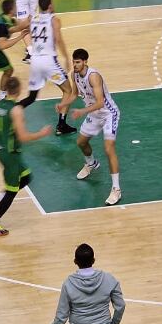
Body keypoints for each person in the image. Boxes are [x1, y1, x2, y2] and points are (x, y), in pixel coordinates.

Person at [0, 76, 51, 237]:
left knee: (27, 178)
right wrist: (41, 134)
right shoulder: (16, 110)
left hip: (2, 151)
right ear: (20, 90)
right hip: (10, 154)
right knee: (12, 191)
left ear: (6, 89)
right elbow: (23, 137)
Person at [56, 48, 122, 206]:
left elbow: (99, 102)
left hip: (108, 114)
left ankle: (116, 189)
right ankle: (91, 164)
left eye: (78, 62)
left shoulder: (93, 76)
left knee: (109, 148)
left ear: (85, 62)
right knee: (81, 143)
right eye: (73, 61)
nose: (75, 65)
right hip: (94, 114)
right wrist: (63, 104)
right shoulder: (74, 75)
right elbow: (74, 93)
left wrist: (81, 111)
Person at [18, 0, 77, 136]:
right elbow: (58, 39)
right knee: (68, 91)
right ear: (50, 5)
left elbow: (17, 28)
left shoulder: (32, 19)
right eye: (53, 3)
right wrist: (67, 57)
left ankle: (10, 112)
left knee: (31, 97)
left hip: (35, 61)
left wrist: (5, 32)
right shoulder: (54, 20)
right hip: (49, 61)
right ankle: (61, 125)